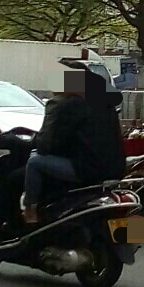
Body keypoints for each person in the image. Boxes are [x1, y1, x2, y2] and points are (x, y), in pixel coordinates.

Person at [22, 69, 125, 224]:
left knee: (34, 162)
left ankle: (30, 213)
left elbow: (46, 145)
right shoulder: (106, 104)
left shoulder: (69, 105)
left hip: (88, 170)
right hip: (115, 169)